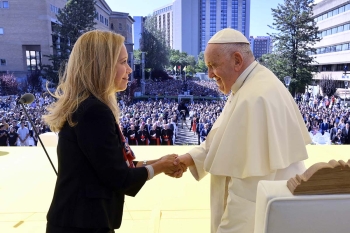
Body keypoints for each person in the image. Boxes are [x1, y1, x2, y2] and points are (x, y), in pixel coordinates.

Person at [170, 28, 311, 233]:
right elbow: (223, 139)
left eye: (213, 65)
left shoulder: (255, 98)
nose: (209, 74)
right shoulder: (248, 85)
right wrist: (190, 158)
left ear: (237, 60)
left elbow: (247, 196)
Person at [42, 30, 183, 233]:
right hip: (81, 224)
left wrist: (159, 162)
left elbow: (114, 165)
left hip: (80, 221)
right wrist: (160, 166)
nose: (129, 69)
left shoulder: (88, 106)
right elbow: (119, 178)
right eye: (123, 62)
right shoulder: (93, 111)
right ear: (101, 66)